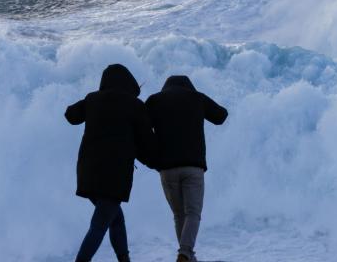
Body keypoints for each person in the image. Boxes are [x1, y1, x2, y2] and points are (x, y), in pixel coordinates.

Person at [65, 64, 157, 262]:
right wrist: (159, 163)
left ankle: (124, 259)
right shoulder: (134, 105)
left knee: (115, 219)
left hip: (88, 172)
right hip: (114, 174)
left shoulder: (92, 99)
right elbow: (146, 144)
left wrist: (91, 103)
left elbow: (71, 115)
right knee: (99, 224)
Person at [145, 75, 228, 262]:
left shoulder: (155, 100)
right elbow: (221, 116)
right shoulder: (197, 98)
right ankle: (185, 253)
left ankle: (188, 255)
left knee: (178, 214)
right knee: (193, 213)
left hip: (166, 168)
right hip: (193, 167)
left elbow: (141, 128)